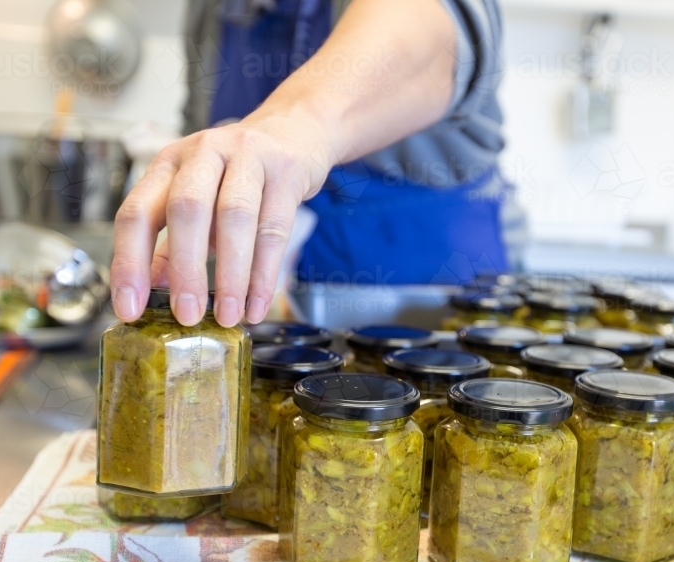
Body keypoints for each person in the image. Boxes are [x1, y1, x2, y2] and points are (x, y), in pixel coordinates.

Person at [111, 0, 507, 327]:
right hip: (269, 325)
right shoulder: (211, 10)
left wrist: (293, 126)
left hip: (434, 312)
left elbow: (432, 31)